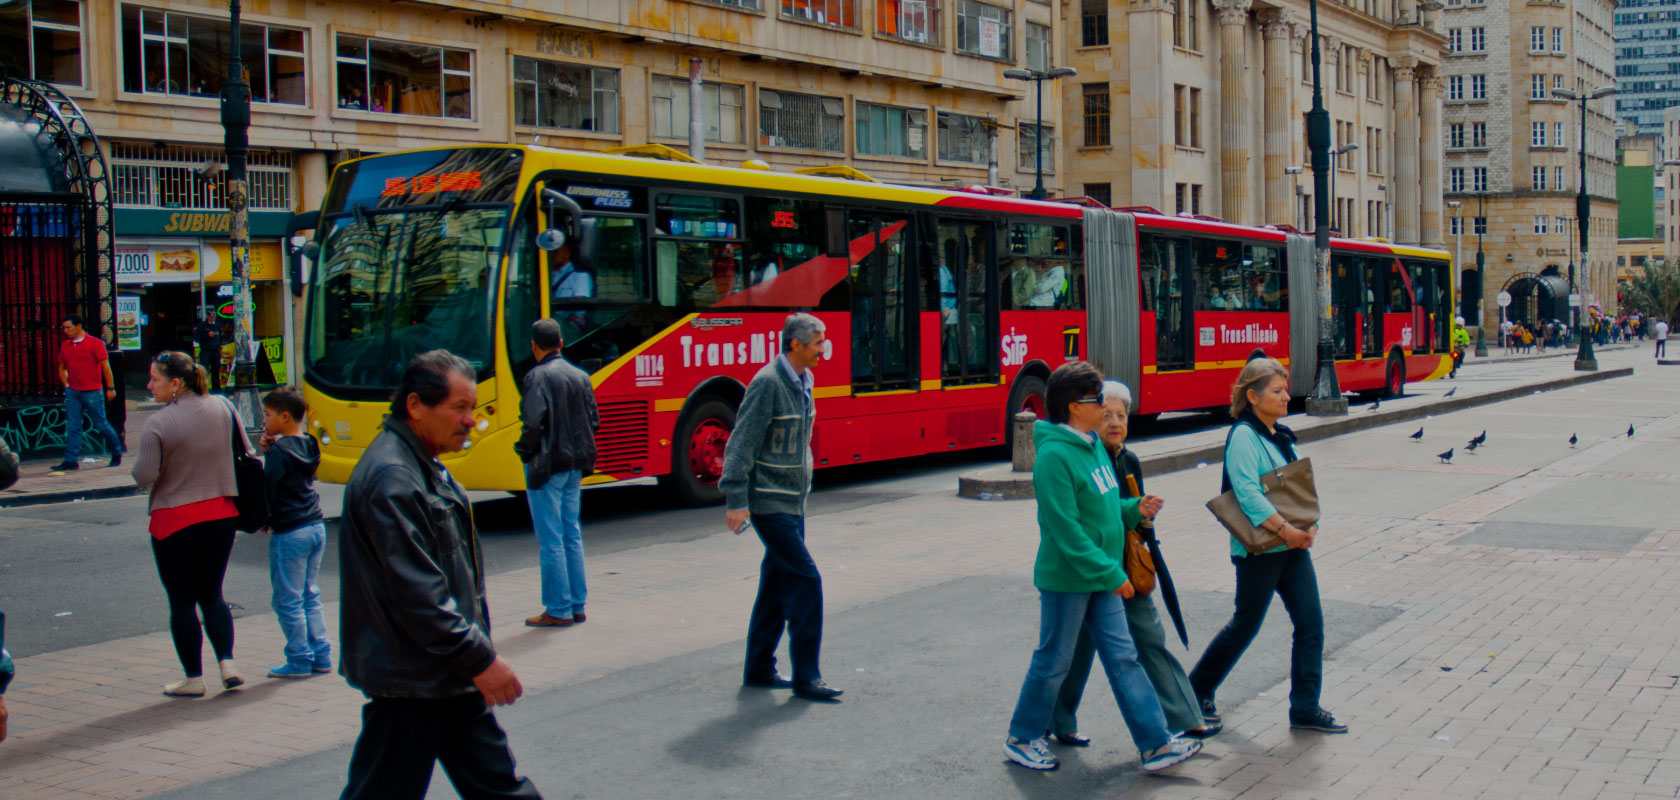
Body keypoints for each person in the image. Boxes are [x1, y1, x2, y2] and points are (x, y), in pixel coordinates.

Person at [338, 351, 539, 799]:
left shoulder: (420, 465)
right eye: (460, 408)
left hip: (439, 673)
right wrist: (480, 658)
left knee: (498, 787)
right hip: (415, 678)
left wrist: (472, 659)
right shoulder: (393, 476)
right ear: (415, 406)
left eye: (473, 407)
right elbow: (418, 595)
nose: (471, 420)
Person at [1002, 360, 1202, 774]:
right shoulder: (1055, 457)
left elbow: (1106, 506)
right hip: (1070, 579)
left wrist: (1133, 510)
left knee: (1123, 657)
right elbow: (1066, 531)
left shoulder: (1091, 445)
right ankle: (1022, 737)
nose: (1107, 409)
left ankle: (1156, 744)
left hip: (1102, 574)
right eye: (1098, 402)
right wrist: (1114, 575)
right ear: (1076, 407)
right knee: (1054, 659)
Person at [1048, 380, 1218, 747]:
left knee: (1147, 639)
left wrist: (1144, 513)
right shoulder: (1077, 456)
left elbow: (1130, 515)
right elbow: (1076, 520)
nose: (1113, 422)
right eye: (1105, 413)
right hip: (1091, 570)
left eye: (1120, 415)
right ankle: (1057, 720)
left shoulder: (1128, 459)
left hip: (1126, 568)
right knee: (1074, 652)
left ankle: (1185, 718)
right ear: (1086, 414)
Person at [1190, 358, 1346, 735]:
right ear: (1253, 396)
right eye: (1277, 391)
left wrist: (1306, 526)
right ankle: (1195, 691)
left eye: (1284, 389)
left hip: (1291, 546)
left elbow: (1293, 490)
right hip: (1261, 548)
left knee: (1311, 624)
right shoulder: (1244, 435)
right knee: (1245, 624)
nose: (1285, 396)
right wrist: (1285, 530)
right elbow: (1246, 492)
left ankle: (1305, 707)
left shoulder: (1278, 434)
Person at [721, 313, 842, 702]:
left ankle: (758, 667)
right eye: (818, 342)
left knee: (775, 585)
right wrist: (737, 501)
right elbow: (741, 444)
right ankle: (808, 675)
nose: (824, 348)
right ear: (796, 344)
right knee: (807, 581)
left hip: (793, 501)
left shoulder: (805, 380)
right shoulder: (767, 383)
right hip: (769, 502)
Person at [131, 351, 249, 697]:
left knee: (182, 601)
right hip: (220, 515)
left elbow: (144, 475)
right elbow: (246, 452)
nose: (150, 386)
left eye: (155, 379)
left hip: (174, 520)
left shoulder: (158, 422)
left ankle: (194, 678)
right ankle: (227, 663)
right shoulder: (224, 407)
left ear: (176, 384)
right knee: (212, 594)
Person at [515, 319, 599, 628]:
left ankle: (557, 609)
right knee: (571, 533)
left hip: (547, 464)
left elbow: (533, 424)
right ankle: (577, 604)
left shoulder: (536, 376)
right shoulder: (580, 376)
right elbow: (594, 421)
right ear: (561, 343)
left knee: (550, 538)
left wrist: (525, 449)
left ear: (534, 346)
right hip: (575, 462)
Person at [258, 386, 331, 680]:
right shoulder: (311, 444)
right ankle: (322, 654)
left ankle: (299, 659)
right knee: (309, 594)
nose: (264, 420)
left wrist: (263, 520)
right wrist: (271, 448)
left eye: (267, 414)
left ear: (284, 416)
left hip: (290, 529)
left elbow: (270, 488)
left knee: (287, 599)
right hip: (316, 525)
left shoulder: (278, 451)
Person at [54, 314, 124, 473]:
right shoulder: (66, 345)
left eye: (68, 327)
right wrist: (66, 384)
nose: (65, 330)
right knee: (73, 426)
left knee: (101, 424)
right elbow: (61, 367)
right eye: (64, 327)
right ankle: (71, 460)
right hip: (73, 391)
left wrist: (111, 388)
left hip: (92, 391)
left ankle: (116, 452)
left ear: (79, 326)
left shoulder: (95, 343)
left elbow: (106, 367)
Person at [192, 311, 223, 392]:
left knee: (216, 371)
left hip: (216, 352)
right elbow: (196, 338)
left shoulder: (217, 325)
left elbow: (221, 337)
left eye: (214, 316)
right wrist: (207, 336)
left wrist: (220, 346)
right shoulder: (202, 325)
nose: (213, 318)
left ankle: (217, 390)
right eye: (211, 316)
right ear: (207, 316)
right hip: (206, 352)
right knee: (204, 371)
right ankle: (203, 389)